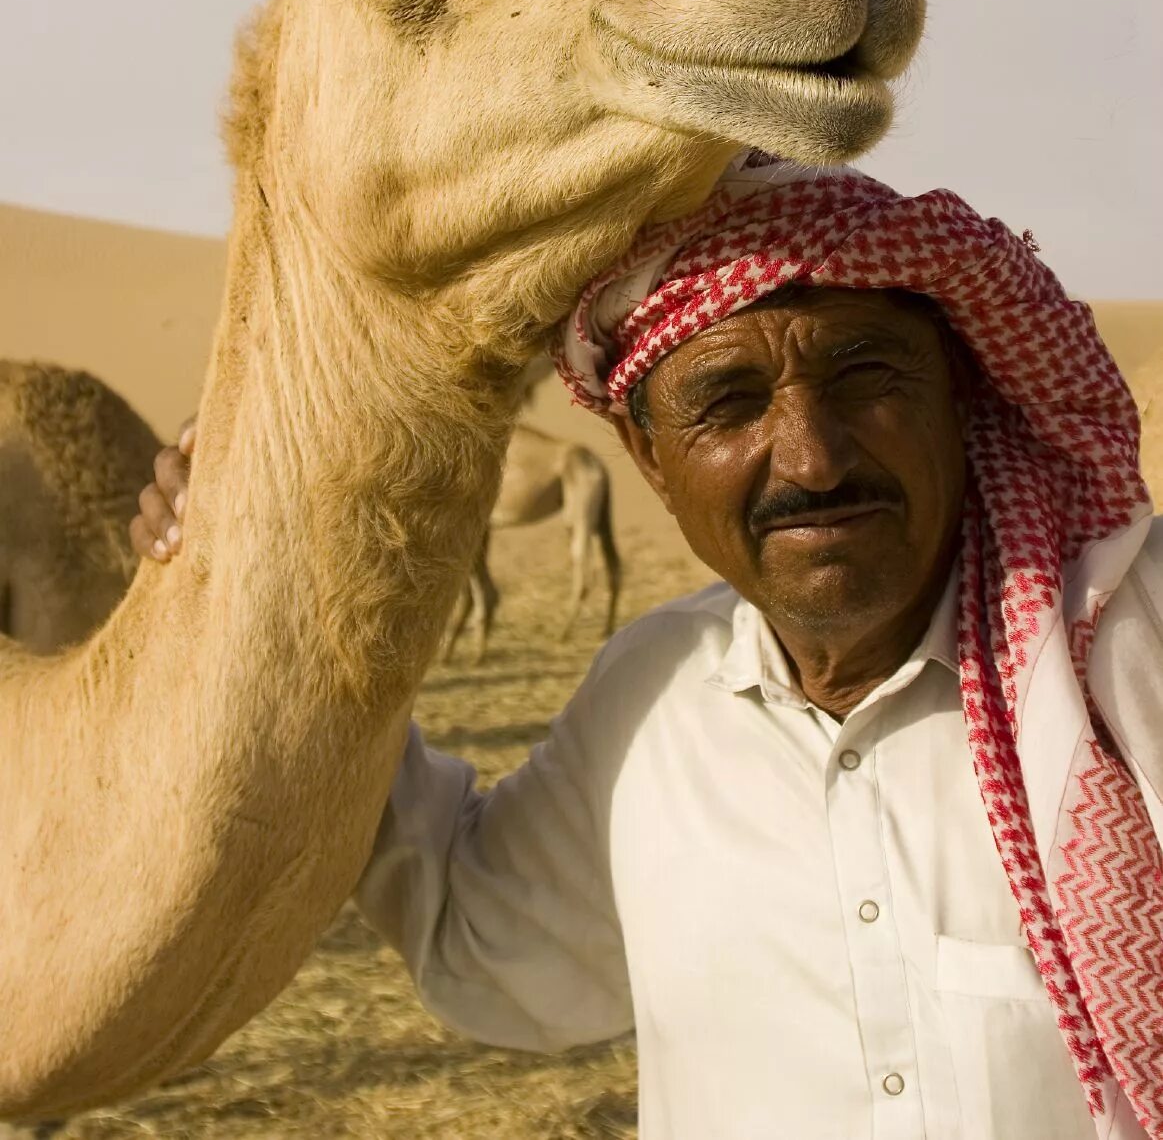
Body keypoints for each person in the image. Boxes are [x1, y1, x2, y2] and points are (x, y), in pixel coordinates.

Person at [132, 154, 1163, 1140]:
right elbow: (485, 949)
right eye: (728, 402)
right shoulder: (652, 702)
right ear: (648, 457)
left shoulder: (1123, 665)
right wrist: (273, 590)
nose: (811, 457)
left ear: (958, 393)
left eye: (865, 378)